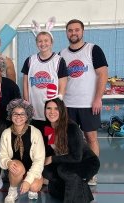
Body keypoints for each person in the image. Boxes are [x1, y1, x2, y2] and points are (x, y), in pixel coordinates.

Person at [60, 19, 108, 185]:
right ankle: (72, 170)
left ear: (82, 31)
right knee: (69, 139)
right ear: (66, 33)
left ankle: (92, 172)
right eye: (70, 30)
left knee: (91, 138)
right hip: (68, 104)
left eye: (76, 30)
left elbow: (103, 74)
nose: (73, 33)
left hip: (88, 104)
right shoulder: (62, 54)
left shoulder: (93, 49)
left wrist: (97, 98)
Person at [43, 97, 100, 202]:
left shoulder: (71, 128)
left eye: (56, 109)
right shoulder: (48, 127)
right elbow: (52, 150)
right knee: (46, 170)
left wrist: (52, 159)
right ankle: (69, 192)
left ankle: (72, 199)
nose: (52, 112)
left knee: (64, 170)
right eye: (49, 108)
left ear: (62, 111)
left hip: (87, 162)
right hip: (68, 161)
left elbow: (76, 157)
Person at [0, 99, 45, 202]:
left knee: (34, 187)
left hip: (32, 169)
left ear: (27, 116)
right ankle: (13, 190)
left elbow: (39, 160)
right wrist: (8, 162)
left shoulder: (36, 133)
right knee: (18, 168)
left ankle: (27, 183)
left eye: (22, 114)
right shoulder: (6, 133)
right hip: (15, 169)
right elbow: (2, 156)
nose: (18, 117)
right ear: (10, 115)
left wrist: (28, 181)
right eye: (15, 114)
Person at [22, 30, 67, 135]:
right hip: (34, 110)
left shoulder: (59, 61)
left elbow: (62, 85)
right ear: (36, 43)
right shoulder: (30, 60)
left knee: (51, 141)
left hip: (51, 113)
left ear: (51, 42)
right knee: (36, 140)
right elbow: (25, 83)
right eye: (40, 41)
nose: (43, 44)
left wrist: (57, 107)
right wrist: (27, 103)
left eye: (46, 40)